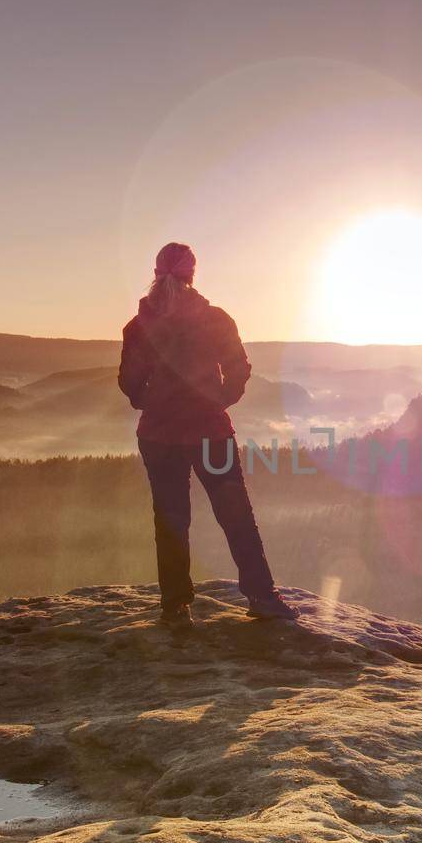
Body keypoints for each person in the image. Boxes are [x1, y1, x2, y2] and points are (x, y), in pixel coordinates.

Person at [118, 242, 297, 630]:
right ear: (192, 274)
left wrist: (150, 401)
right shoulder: (213, 319)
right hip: (210, 434)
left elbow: (129, 382)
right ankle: (262, 597)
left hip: (159, 438)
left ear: (155, 273)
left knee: (170, 519)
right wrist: (218, 401)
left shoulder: (140, 326)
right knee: (236, 516)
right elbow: (239, 367)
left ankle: (175, 607)